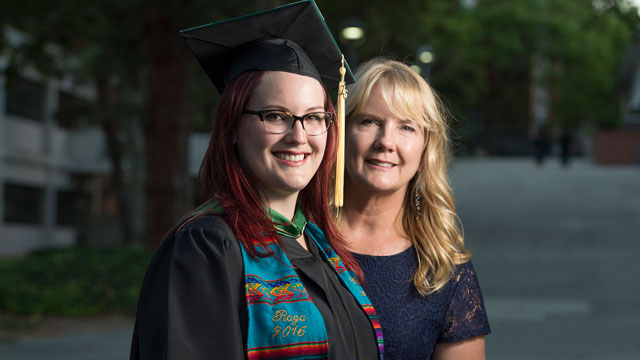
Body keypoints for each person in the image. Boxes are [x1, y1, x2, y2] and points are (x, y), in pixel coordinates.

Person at [130, 2, 383, 359]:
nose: (299, 136)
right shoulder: (206, 247)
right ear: (232, 127)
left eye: (314, 117)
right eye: (275, 115)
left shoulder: (320, 244)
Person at [338, 58, 490, 360]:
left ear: (424, 150)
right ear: (342, 132)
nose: (386, 141)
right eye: (369, 121)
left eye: (406, 127)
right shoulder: (297, 238)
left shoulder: (442, 267)